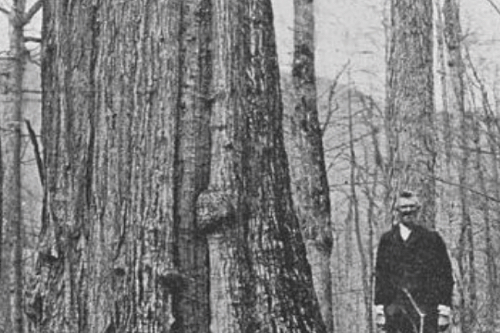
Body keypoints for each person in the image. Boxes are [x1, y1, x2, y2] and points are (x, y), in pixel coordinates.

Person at [374, 191, 454, 333]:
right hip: (395, 312)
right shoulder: (387, 240)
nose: (408, 211)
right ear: (397, 211)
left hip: (427, 311)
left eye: (412, 207)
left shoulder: (432, 239)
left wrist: (444, 312)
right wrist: (380, 311)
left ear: (418, 210)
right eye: (403, 207)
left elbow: (445, 276)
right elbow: (381, 277)